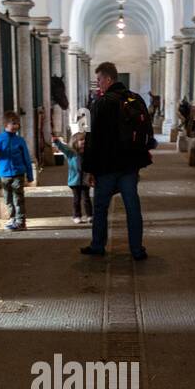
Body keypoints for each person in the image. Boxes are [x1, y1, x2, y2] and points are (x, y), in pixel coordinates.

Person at [81, 62, 154, 261]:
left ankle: (98, 246)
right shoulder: (134, 99)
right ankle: (137, 250)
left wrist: (89, 169)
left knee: (100, 207)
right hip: (130, 166)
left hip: (107, 166)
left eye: (99, 80)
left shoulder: (102, 103)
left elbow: (91, 139)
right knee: (132, 207)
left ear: (108, 79)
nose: (98, 84)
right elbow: (148, 131)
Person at [0, 110, 34, 231]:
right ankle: (12, 219)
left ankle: (21, 221)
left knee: (18, 197)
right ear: (6, 124)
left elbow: (26, 158)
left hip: (18, 173)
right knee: (8, 199)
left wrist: (30, 174)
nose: (16, 126)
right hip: (4, 174)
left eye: (17, 123)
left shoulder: (20, 140)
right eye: (13, 123)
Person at [53, 131, 93, 225]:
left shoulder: (88, 153)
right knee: (77, 200)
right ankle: (77, 216)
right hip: (74, 182)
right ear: (75, 142)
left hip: (85, 181)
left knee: (87, 199)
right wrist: (57, 141)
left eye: (85, 140)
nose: (84, 142)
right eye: (81, 140)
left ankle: (90, 216)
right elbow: (63, 148)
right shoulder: (71, 153)